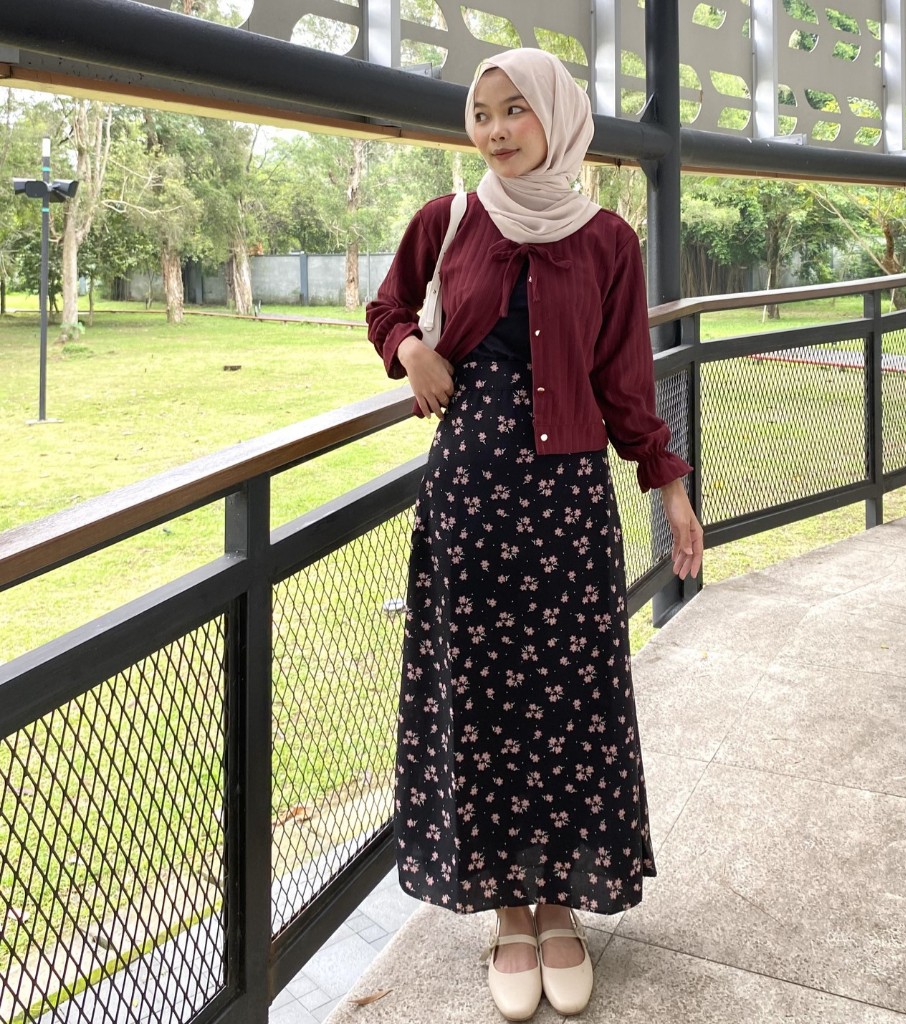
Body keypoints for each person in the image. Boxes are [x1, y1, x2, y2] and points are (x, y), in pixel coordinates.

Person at [366, 47, 703, 1021]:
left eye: (515, 110)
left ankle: (561, 906)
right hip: (470, 503)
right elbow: (386, 308)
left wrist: (670, 489)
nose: (495, 130)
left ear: (556, 117)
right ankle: (507, 911)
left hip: (567, 511)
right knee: (481, 700)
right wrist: (412, 348)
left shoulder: (606, 241)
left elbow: (625, 383)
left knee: (568, 703)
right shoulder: (447, 220)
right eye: (481, 113)